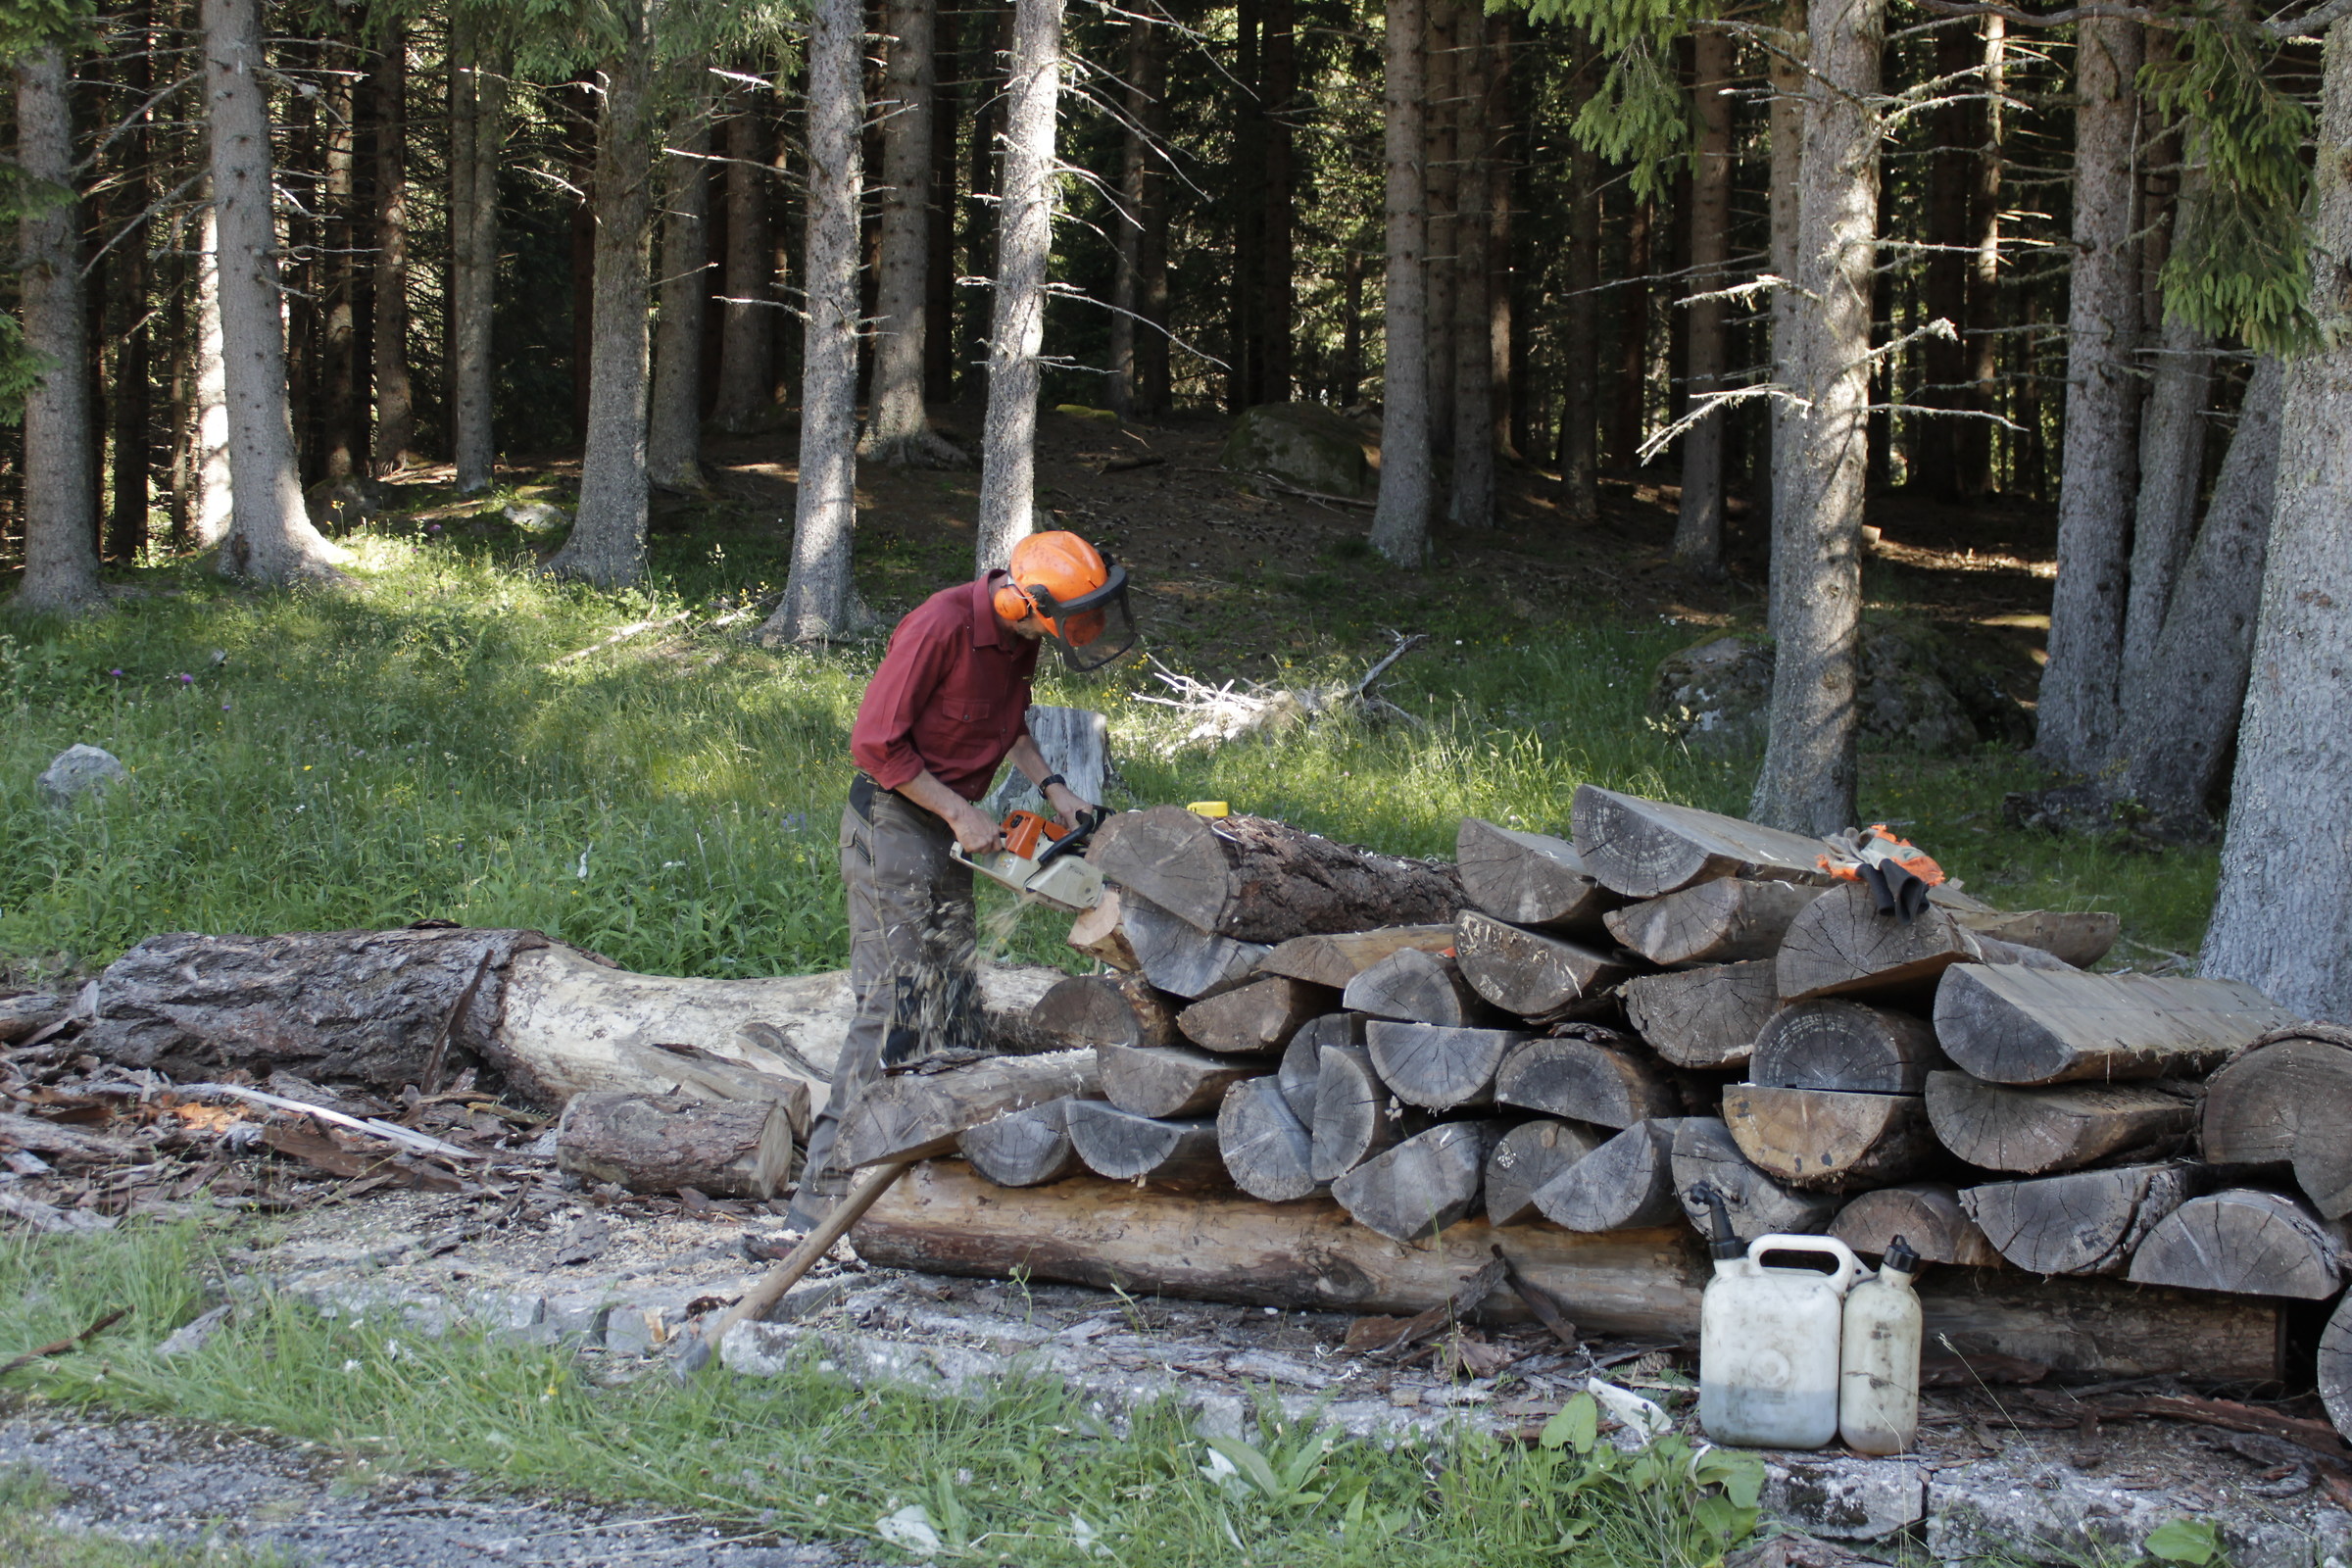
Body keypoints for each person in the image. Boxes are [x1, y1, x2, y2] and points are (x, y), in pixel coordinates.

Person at [785, 531, 1137, 1229]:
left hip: (949, 827)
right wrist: (957, 810)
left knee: (949, 1004)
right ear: (1029, 602)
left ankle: (911, 1178)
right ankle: (821, 1201)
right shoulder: (940, 625)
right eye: (1065, 618)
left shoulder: (1018, 640)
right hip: (896, 820)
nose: (1068, 633)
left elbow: (1010, 727)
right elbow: (875, 744)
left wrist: (1056, 789)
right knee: (894, 1004)